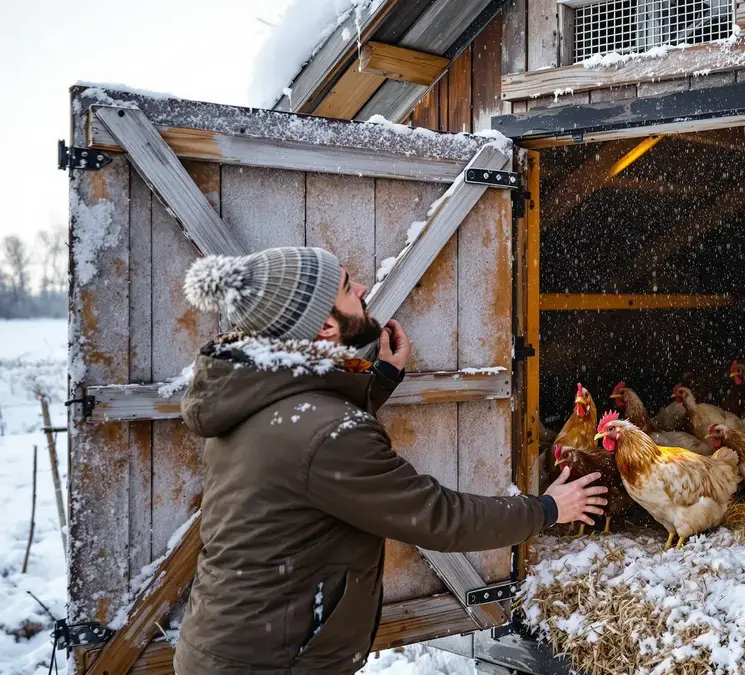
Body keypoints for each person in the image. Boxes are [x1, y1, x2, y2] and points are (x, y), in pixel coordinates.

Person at [172, 247, 606, 674]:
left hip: (239, 645)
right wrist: (548, 509)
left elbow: (316, 444)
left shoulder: (257, 398)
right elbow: (439, 517)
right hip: (272, 663)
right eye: (346, 286)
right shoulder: (323, 435)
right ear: (325, 327)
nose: (361, 287)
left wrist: (379, 380)